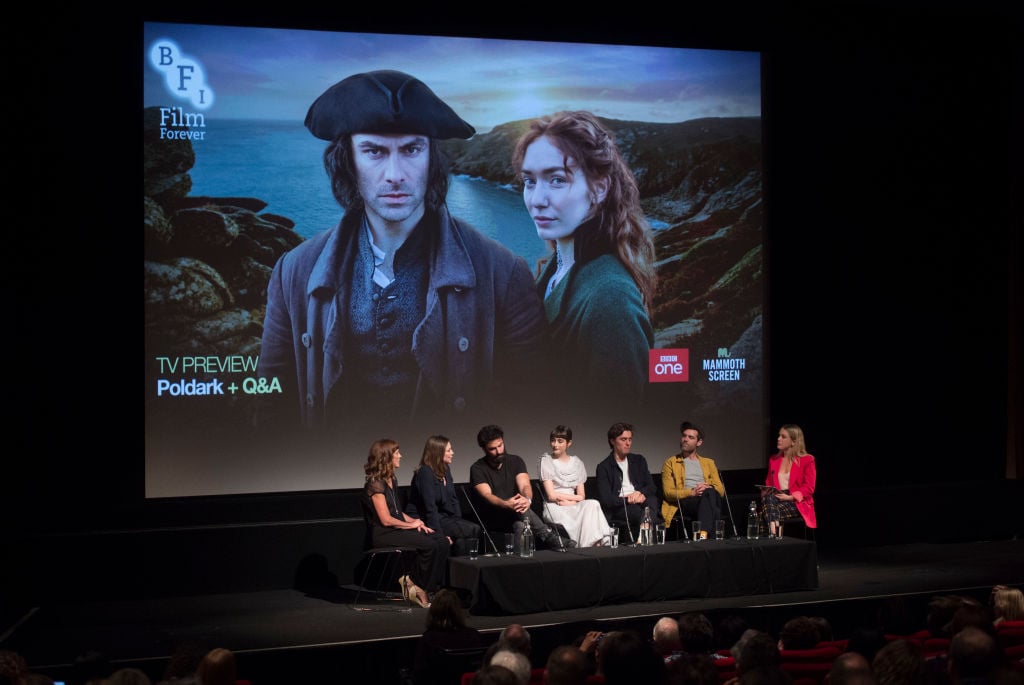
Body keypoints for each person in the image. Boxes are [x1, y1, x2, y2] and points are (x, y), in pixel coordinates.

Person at [256, 69, 547, 441]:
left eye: (411, 149)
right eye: (374, 151)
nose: (395, 174)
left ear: (431, 159)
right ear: (348, 160)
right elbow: (272, 412)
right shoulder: (293, 272)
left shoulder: (502, 273)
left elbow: (532, 406)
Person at [512, 110, 656, 415]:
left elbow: (616, 428)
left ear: (598, 189)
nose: (537, 199)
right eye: (529, 181)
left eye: (557, 180)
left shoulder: (610, 299)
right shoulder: (558, 267)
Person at [361, 438, 449, 608]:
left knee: (440, 541)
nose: (400, 456)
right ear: (386, 458)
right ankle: (415, 584)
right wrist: (411, 526)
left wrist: (416, 521)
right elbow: (386, 520)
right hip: (382, 535)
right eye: (397, 453)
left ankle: (424, 586)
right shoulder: (376, 484)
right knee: (429, 545)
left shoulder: (391, 480)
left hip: (396, 530)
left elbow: (397, 512)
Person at [469, 425, 576, 550]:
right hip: (494, 516)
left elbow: (525, 485)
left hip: (518, 513)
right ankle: (548, 536)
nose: (499, 451)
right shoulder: (477, 468)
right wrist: (505, 503)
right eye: (493, 449)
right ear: (484, 449)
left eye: (500, 445)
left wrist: (527, 499)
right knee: (520, 512)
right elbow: (487, 495)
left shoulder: (516, 461)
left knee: (520, 523)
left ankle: (521, 563)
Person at [538, 425, 611, 547]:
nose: (555, 444)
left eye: (560, 441)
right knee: (587, 511)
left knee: (593, 503)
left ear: (569, 443)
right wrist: (570, 500)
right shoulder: (546, 461)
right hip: (555, 506)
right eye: (553, 440)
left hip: (573, 504)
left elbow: (581, 496)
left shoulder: (577, 463)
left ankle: (589, 545)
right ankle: (588, 547)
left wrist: (571, 502)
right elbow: (551, 496)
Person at [408, 435, 481, 557]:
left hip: (443, 517)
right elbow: (429, 507)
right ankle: (462, 567)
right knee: (472, 529)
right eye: (448, 450)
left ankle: (462, 571)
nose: (452, 453)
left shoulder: (445, 470)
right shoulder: (425, 472)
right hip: (425, 518)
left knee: (465, 536)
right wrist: (439, 535)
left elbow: (453, 500)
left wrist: (457, 521)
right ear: (438, 453)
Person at [595, 422, 661, 543]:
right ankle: (647, 540)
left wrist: (639, 493)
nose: (628, 443)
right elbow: (606, 500)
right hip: (621, 506)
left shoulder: (639, 460)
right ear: (612, 441)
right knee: (647, 514)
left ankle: (644, 532)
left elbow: (652, 487)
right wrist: (628, 499)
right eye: (623, 439)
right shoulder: (604, 467)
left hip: (641, 500)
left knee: (652, 500)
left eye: (630, 439)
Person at [661, 421, 726, 540]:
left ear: (699, 442)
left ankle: (703, 534)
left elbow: (721, 491)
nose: (685, 439)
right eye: (684, 436)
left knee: (710, 493)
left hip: (706, 498)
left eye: (690, 437)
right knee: (713, 504)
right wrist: (692, 492)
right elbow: (668, 493)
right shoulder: (670, 462)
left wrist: (707, 487)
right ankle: (711, 537)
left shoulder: (709, 463)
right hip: (686, 501)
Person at [411, 588, 487, 685]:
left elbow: (419, 676)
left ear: (433, 611)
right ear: (458, 611)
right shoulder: (474, 635)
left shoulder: (429, 639)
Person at [761, 424, 817, 537]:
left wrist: (790, 497)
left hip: (796, 501)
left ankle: (772, 535)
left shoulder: (807, 460)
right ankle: (775, 534)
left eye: (783, 436)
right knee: (769, 499)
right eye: (778, 436)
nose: (778, 439)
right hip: (776, 498)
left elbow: (809, 488)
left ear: (794, 442)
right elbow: (768, 483)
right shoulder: (773, 460)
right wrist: (766, 490)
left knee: (764, 514)